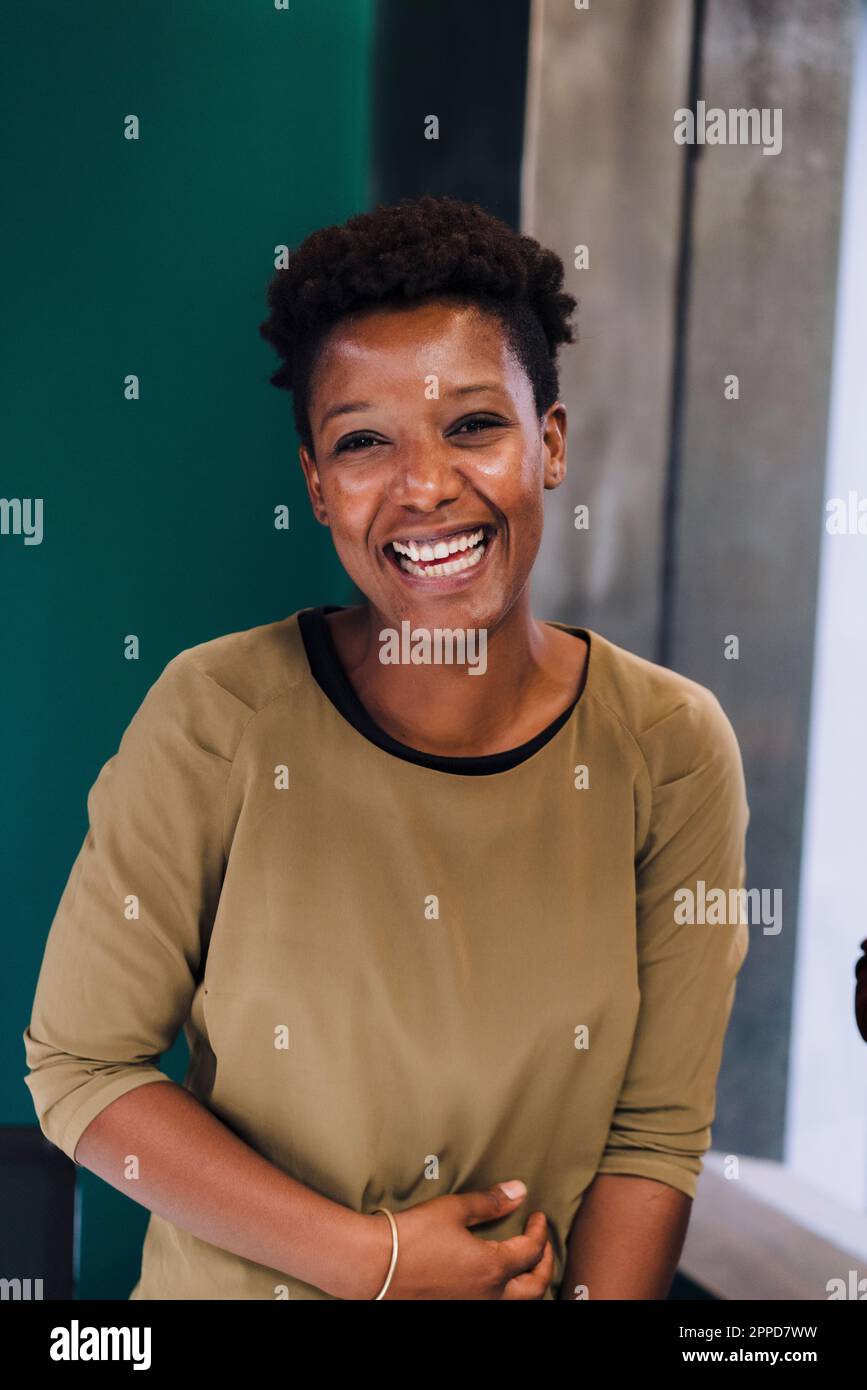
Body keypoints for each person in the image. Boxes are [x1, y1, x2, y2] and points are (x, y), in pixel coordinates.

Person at [23, 193, 750, 1300]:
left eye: (473, 424)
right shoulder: (216, 714)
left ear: (547, 444)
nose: (425, 487)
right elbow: (82, 1074)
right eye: (366, 442)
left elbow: (652, 1139)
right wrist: (378, 1261)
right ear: (318, 485)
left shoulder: (671, 748)